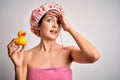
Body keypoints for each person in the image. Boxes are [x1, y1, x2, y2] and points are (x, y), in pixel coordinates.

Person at [7, 3, 100, 80]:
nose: (55, 25)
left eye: (59, 22)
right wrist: (18, 67)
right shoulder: (26, 56)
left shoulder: (68, 52)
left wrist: (69, 28)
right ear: (38, 25)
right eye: (50, 20)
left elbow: (94, 56)